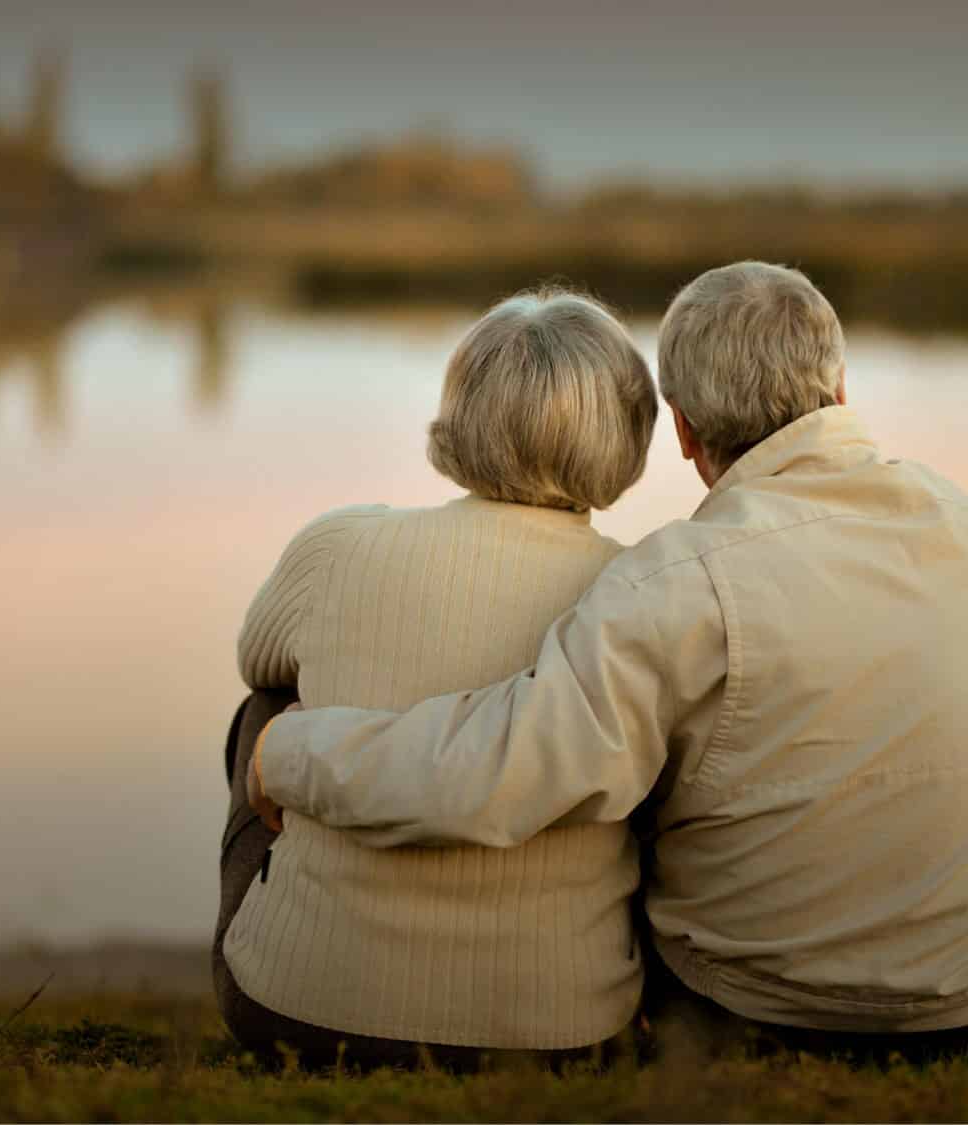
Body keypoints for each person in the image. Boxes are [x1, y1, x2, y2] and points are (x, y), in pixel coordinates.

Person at [251, 262, 968, 1060]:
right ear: (842, 391)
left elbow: (500, 770)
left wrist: (288, 749)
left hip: (752, 1011)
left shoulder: (678, 581)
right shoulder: (964, 525)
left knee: (648, 745)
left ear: (680, 430)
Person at [216, 290, 660, 1068]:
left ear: (460, 413)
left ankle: (305, 925)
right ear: (628, 432)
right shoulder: (641, 592)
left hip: (298, 1011)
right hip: (562, 1031)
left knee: (266, 709)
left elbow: (258, 659)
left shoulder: (338, 545)